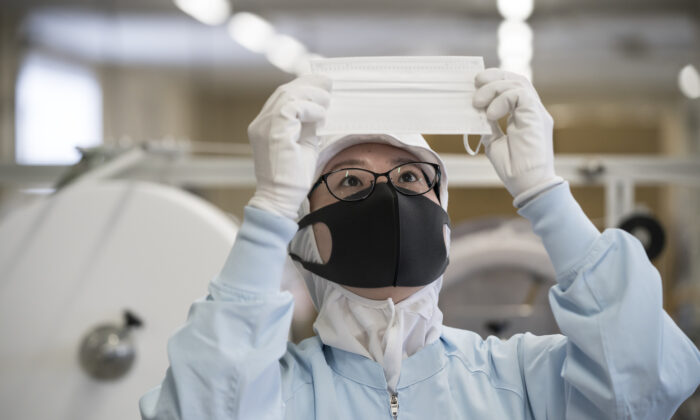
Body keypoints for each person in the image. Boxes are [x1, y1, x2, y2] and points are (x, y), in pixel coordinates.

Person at [139, 69, 700, 419]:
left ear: (444, 222)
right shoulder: (280, 391)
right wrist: (267, 213)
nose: (388, 197)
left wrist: (545, 194)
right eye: (351, 182)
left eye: (410, 178)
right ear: (307, 235)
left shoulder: (520, 380)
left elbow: (647, 386)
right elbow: (199, 409)